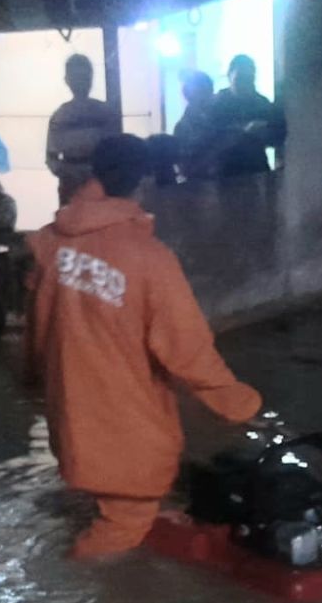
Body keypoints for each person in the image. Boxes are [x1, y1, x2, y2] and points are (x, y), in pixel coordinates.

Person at [24, 134, 262, 559]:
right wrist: (240, 404)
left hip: (71, 412)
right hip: (123, 421)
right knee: (125, 522)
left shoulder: (50, 243)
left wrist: (30, 380)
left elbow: (35, 325)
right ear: (143, 183)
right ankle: (74, 602)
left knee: (115, 495)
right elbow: (188, 350)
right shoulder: (149, 259)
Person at [46, 54, 122, 205]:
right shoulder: (61, 115)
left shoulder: (104, 112)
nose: (80, 81)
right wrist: (67, 174)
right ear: (68, 80)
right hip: (76, 184)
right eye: (76, 76)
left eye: (83, 76)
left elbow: (117, 152)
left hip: (100, 182)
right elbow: (51, 156)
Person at [210, 54, 287, 177]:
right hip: (226, 171)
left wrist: (265, 133)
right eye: (240, 78)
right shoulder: (216, 104)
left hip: (257, 168)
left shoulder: (261, 103)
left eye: (249, 79)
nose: (244, 84)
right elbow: (212, 140)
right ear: (230, 76)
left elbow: (277, 136)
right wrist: (243, 132)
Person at [173, 71, 219, 180]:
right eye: (202, 91)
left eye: (209, 91)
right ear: (188, 94)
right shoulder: (182, 128)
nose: (208, 96)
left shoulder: (220, 120)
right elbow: (184, 168)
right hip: (198, 187)